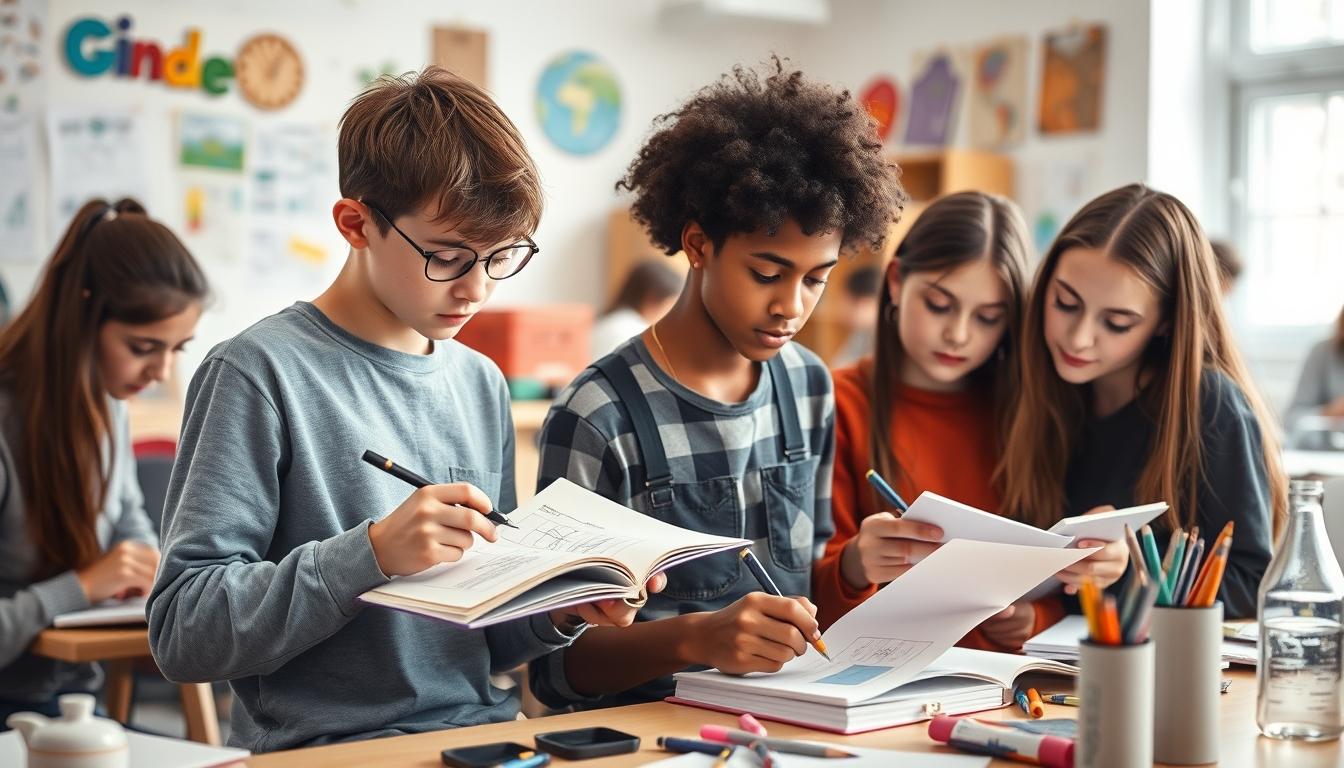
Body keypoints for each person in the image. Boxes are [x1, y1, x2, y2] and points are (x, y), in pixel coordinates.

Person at [147, 67, 650, 752]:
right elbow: (184, 633)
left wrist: (560, 611)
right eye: (447, 257)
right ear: (356, 224)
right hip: (335, 750)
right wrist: (372, 554)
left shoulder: (479, 381)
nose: (476, 289)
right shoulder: (257, 372)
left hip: (484, 741)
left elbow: (476, 644)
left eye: (501, 257)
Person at [529, 58, 905, 710]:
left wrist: (848, 568)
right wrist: (699, 637)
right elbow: (554, 668)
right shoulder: (599, 415)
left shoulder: (808, 387)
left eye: (815, 278)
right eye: (767, 272)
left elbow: (806, 585)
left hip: (786, 722)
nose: (792, 305)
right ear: (699, 245)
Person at [999, 184, 1287, 619]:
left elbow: (1251, 582)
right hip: (1052, 668)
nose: (1078, 338)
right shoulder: (1038, 385)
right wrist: (1035, 610)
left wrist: (1131, 571)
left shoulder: (1211, 407)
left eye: (1116, 323)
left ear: (1166, 323)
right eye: (1065, 302)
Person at [813, 191, 1062, 650]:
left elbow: (1064, 582)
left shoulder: (1030, 413)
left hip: (1009, 685)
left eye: (988, 318)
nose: (959, 334)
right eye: (939, 305)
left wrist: (1036, 615)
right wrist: (855, 564)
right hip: (880, 681)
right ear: (894, 283)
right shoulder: (835, 402)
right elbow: (811, 602)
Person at [0, 198, 207, 725]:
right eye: (143, 347)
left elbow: (126, 511)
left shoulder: (106, 405)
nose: (160, 372)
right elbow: (83, 582)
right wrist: (83, 586)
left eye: (177, 348)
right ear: (83, 316)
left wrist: (139, 555)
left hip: (71, 696)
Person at [591, 259, 682, 356]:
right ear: (652, 300)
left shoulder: (609, 321)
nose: (670, 311)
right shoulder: (634, 331)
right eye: (669, 304)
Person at [830, 264, 881, 367]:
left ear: (864, 303)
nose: (841, 310)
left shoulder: (885, 340)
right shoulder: (862, 333)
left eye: (845, 301)